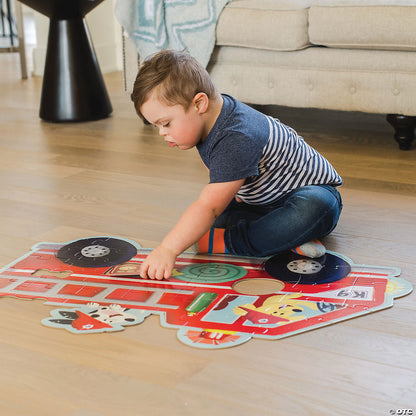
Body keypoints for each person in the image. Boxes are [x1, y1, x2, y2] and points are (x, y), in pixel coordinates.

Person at [131, 50, 343, 280]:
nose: (162, 133)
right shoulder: (213, 117)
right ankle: (290, 239)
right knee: (213, 220)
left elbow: (209, 206)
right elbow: (217, 170)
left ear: (199, 104)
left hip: (308, 194)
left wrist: (168, 249)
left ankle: (229, 242)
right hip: (261, 201)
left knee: (316, 208)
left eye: (166, 123)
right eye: (157, 126)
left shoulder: (237, 136)